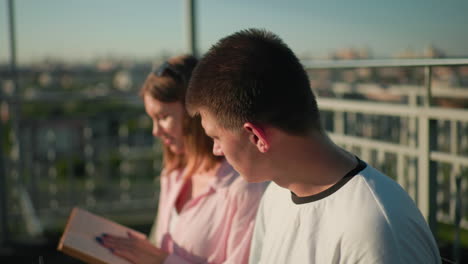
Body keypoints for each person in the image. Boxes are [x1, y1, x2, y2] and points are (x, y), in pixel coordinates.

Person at [185, 29, 441, 263]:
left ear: (256, 137)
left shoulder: (377, 230)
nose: (216, 150)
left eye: (216, 137)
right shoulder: (276, 195)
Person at [96, 55, 267, 264]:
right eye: (152, 119)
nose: (155, 131)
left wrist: (161, 261)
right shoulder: (173, 174)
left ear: (194, 115)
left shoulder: (244, 188)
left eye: (163, 117)